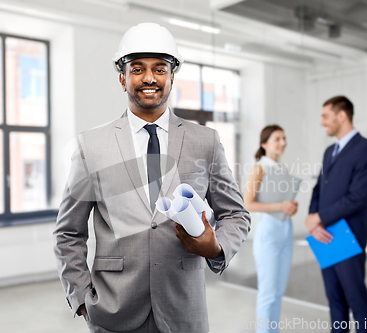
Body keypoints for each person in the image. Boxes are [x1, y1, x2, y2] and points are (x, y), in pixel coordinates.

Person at [53, 22, 251, 333]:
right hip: (112, 312)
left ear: (173, 76)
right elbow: (68, 233)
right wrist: (80, 297)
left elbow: (236, 214)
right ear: (123, 78)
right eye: (137, 69)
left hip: (184, 310)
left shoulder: (206, 141)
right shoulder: (90, 146)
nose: (149, 78)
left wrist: (215, 247)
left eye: (160, 68)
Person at [306, 96, 367, 333]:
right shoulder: (330, 151)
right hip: (324, 235)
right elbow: (319, 189)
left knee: (356, 299)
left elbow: (357, 198)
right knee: (334, 299)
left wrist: (319, 217)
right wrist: (313, 219)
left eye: (325, 116)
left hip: (349, 236)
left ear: (342, 116)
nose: (322, 122)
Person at [244, 125, 298, 333]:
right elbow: (248, 203)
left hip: (286, 229)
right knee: (267, 293)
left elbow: (281, 203)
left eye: (284, 138)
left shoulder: (281, 168)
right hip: (269, 233)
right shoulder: (260, 168)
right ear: (264, 143)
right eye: (278, 139)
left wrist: (289, 206)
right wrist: (280, 206)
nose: (283, 142)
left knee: (278, 293)